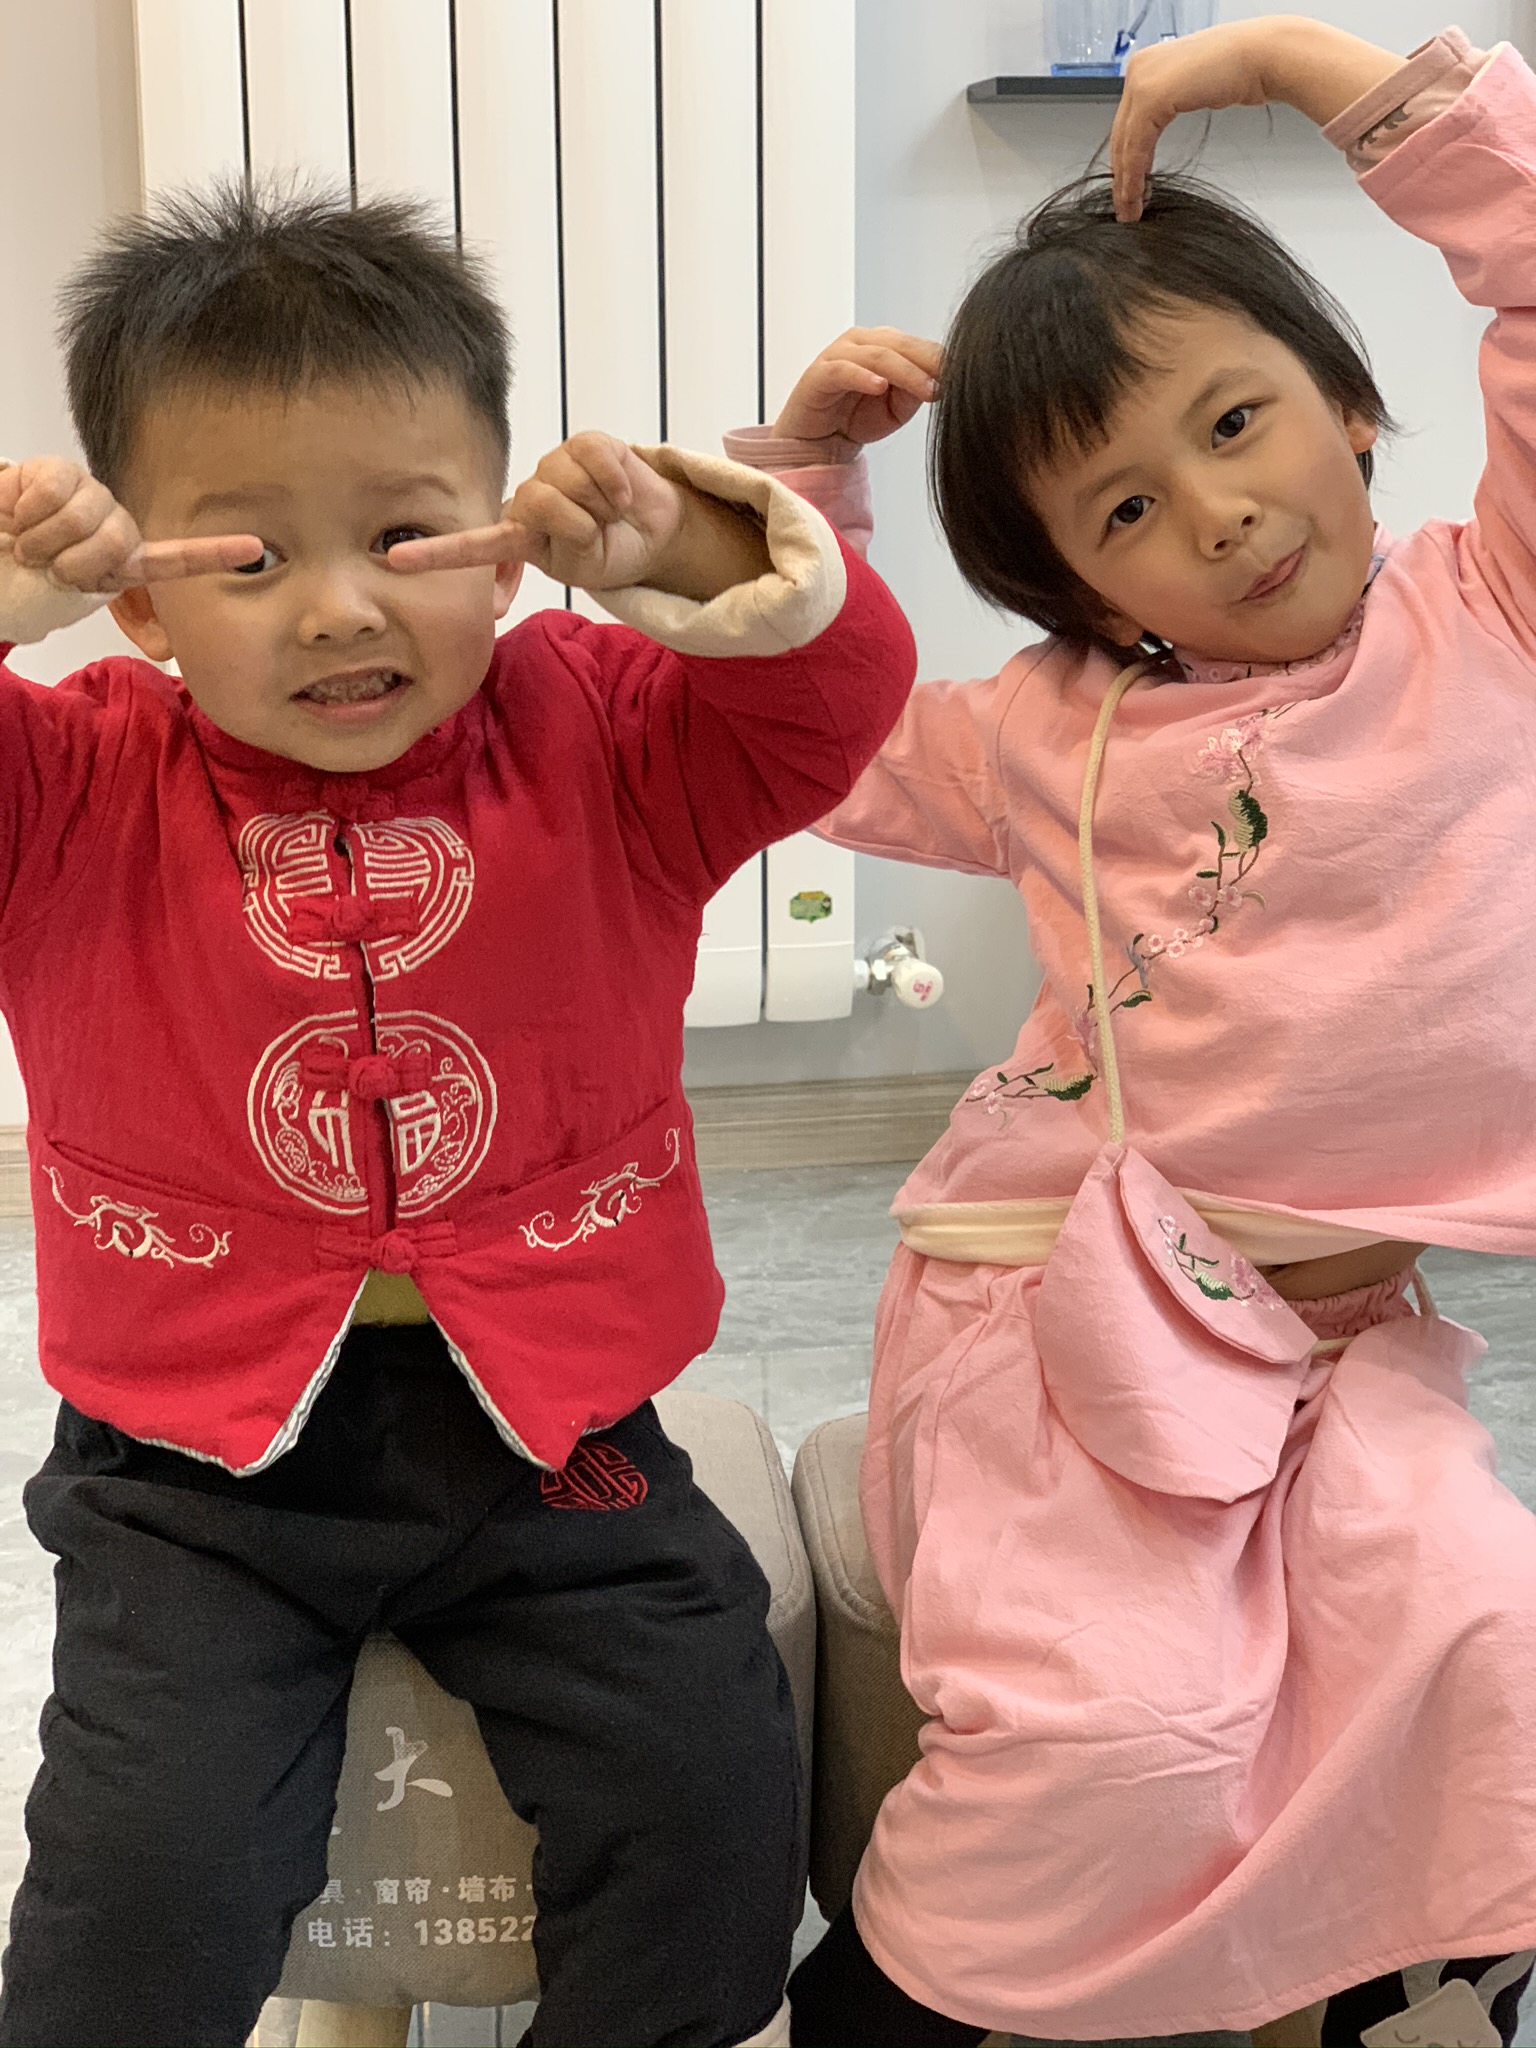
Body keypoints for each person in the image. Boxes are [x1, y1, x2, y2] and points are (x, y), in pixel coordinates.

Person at [0, 184, 915, 2048]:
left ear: (505, 556)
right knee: (145, 1875)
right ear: (138, 595)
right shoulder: (71, 779)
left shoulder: (606, 728)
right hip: (191, 1465)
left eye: (408, 534)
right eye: (250, 557)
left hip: (552, 1432)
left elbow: (828, 702)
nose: (342, 606)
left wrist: (690, 545)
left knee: (708, 1798)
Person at [728, 17, 1536, 2047]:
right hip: (1052, 1331)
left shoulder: (1499, 612)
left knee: (1492, 1661)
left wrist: (1297, 60)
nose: (1223, 512)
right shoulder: (1053, 733)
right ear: (1085, 595)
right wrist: (807, 486)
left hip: (1342, 1352)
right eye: (1126, 512)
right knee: (1126, 1735)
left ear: (1353, 405)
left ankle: (1382, 1998)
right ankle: (893, 2000)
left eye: (1240, 422)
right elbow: (803, 740)